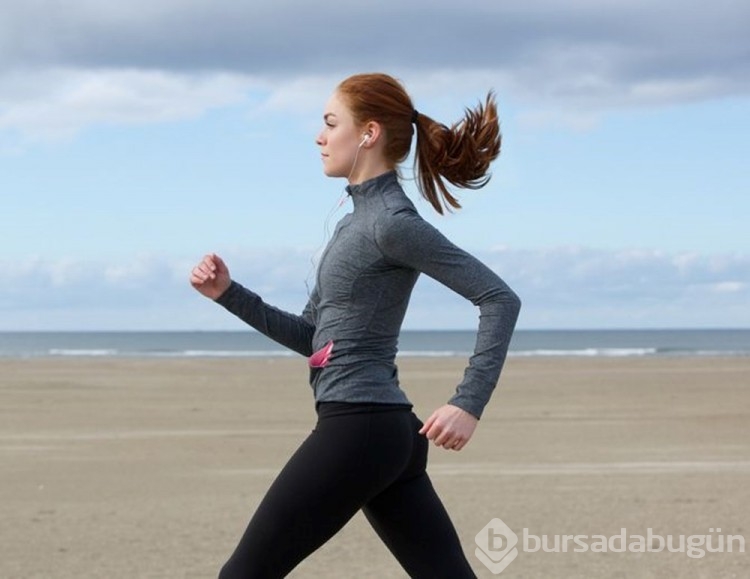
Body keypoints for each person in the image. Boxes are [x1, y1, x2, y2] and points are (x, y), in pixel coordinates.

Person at [190, 72, 521, 579]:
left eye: (330, 123)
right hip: (384, 432)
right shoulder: (354, 224)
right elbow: (313, 339)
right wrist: (229, 295)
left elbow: (499, 298)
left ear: (367, 133)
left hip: (361, 427)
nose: (319, 137)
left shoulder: (391, 222)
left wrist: (467, 402)